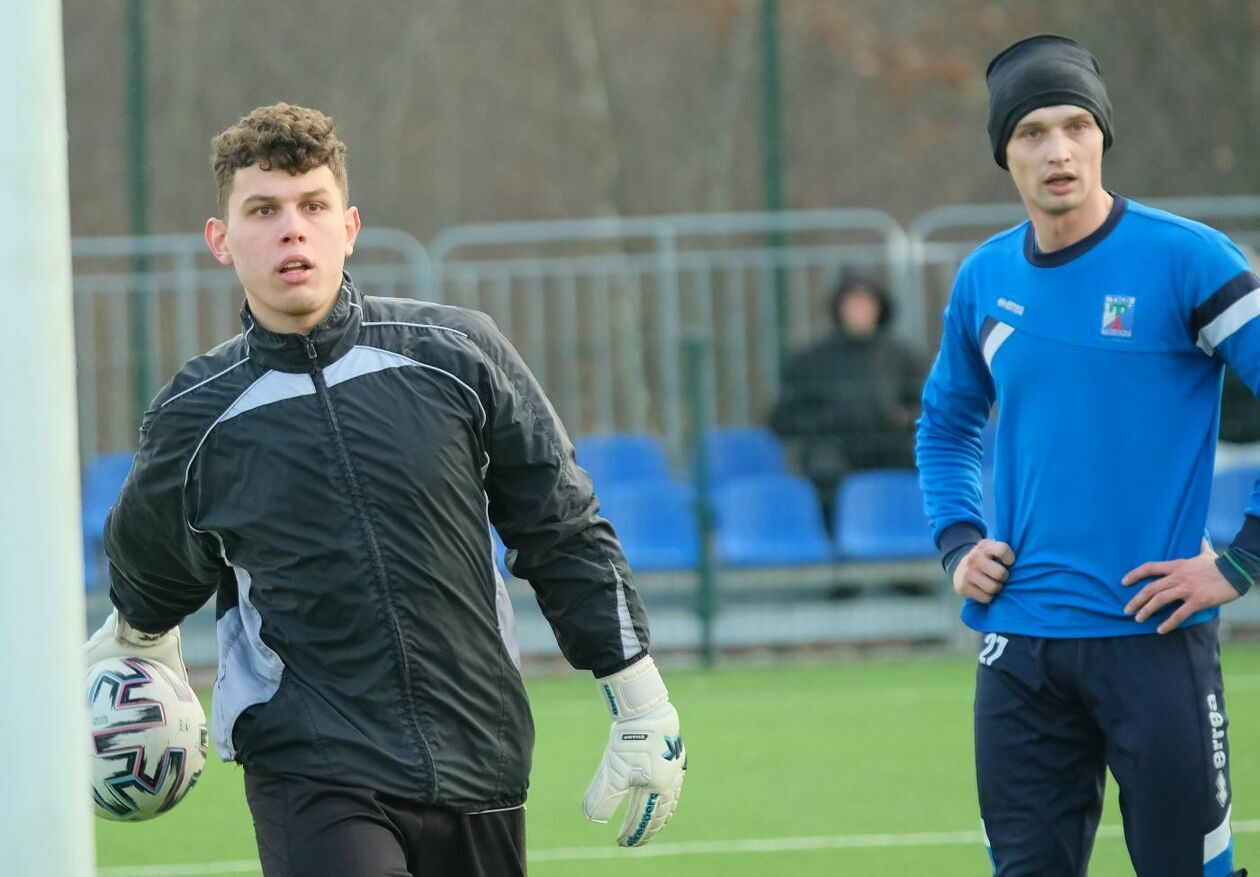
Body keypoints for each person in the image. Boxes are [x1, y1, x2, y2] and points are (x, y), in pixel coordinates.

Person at [82, 103, 686, 876]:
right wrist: (136, 642)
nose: (291, 229)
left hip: (482, 757)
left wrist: (639, 695)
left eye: (312, 205)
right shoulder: (195, 418)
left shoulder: (459, 355)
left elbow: (561, 526)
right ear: (222, 241)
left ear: (350, 226)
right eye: (263, 210)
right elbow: (151, 568)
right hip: (312, 766)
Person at [916, 35, 1255, 877]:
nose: (1057, 150)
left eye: (1075, 124)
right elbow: (945, 422)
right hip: (1019, 650)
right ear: (1005, 151)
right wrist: (958, 540)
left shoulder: (1189, 259)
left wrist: (1245, 559)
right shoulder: (983, 278)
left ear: (1104, 135)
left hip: (1156, 638)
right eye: (1032, 131)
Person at [770, 275, 926, 528]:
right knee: (824, 468)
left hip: (890, 443)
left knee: (927, 461)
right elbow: (782, 418)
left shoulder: (904, 358)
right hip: (835, 445)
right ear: (838, 310)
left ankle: (921, 533)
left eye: (866, 305)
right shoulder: (811, 361)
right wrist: (825, 421)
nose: (859, 312)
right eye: (852, 305)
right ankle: (836, 537)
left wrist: (904, 417)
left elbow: (930, 409)